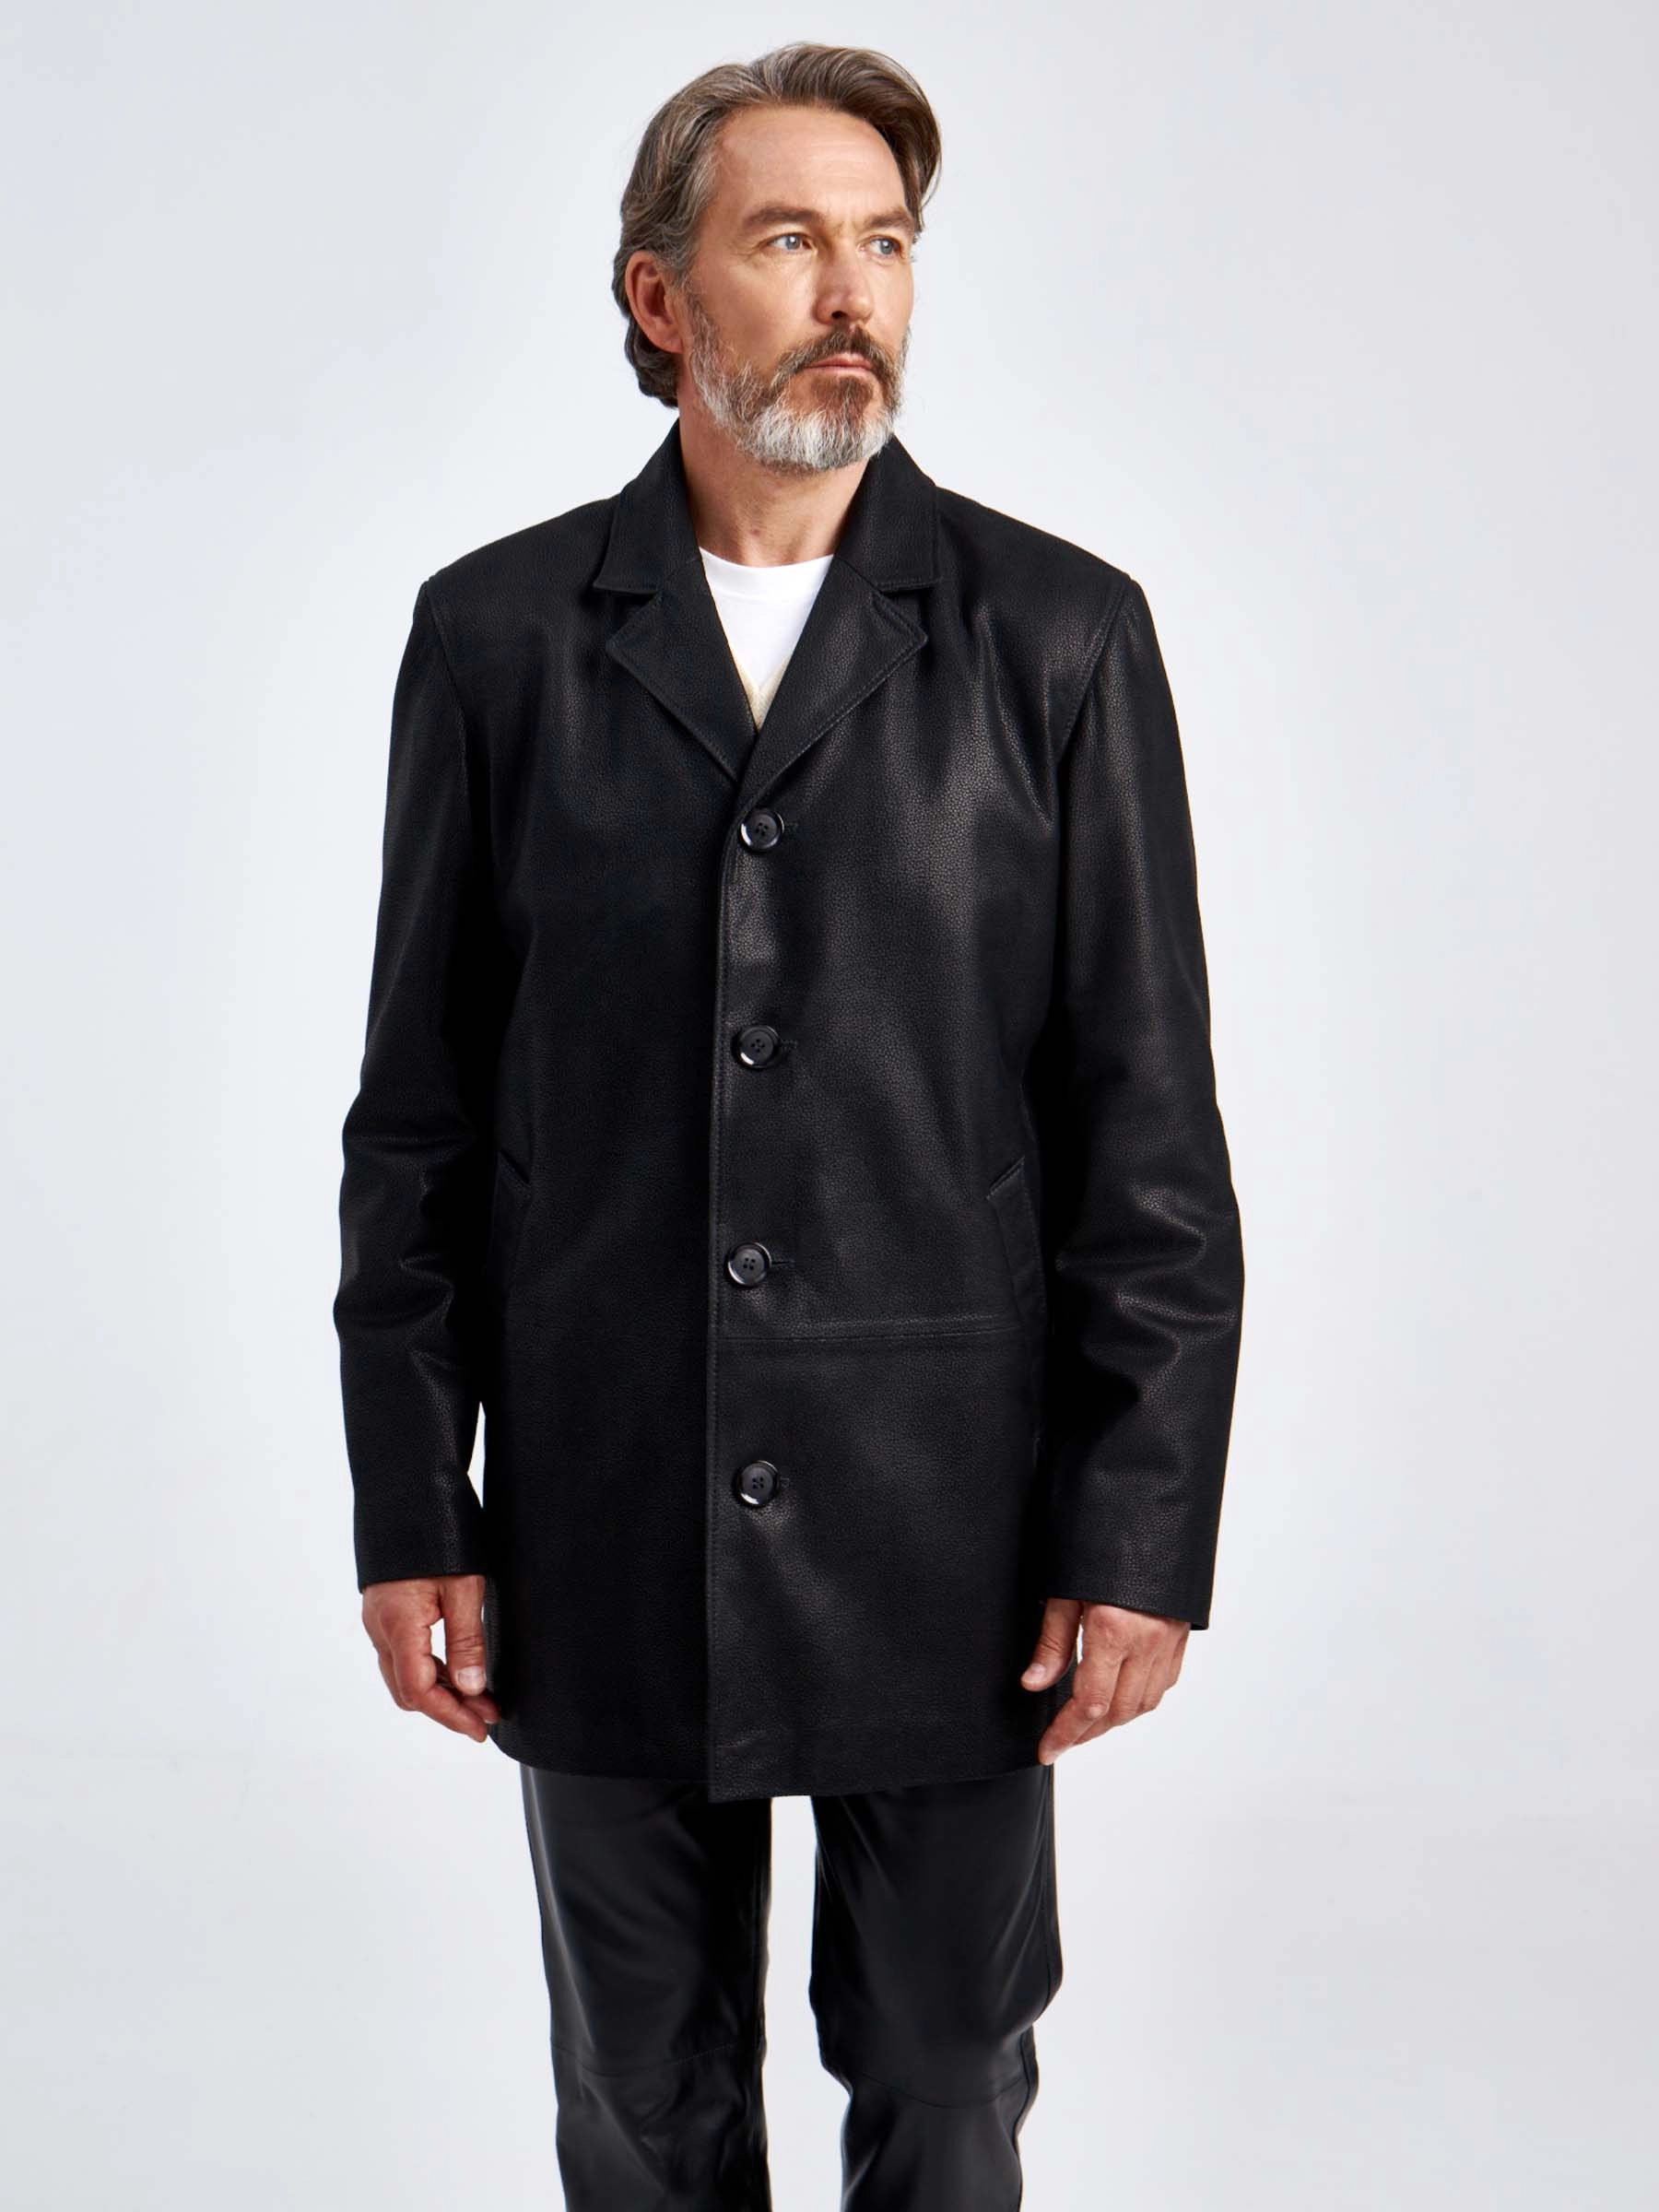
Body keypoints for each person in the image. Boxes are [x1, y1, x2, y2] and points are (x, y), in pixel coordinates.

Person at [333, 40, 1244, 2211]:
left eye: (887, 243)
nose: (854, 291)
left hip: (955, 1525)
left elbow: (1147, 1137)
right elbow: (418, 1122)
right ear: (661, 298)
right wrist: (411, 1500)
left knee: (943, 2073)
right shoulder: (498, 641)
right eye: (789, 239)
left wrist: (1137, 1531)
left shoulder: (1057, 641)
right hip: (601, 1496)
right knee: (641, 2106)